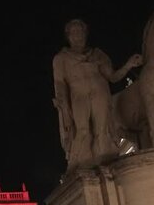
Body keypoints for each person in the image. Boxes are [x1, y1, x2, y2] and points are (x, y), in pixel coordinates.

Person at [52, 19, 142, 171]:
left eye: (80, 32)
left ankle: (105, 163)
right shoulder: (61, 59)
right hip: (78, 96)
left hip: (100, 93)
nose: (77, 36)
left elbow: (112, 77)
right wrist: (65, 110)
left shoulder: (98, 55)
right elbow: (60, 86)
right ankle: (75, 164)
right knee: (82, 130)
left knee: (102, 129)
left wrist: (128, 65)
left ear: (85, 34)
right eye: (74, 33)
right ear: (68, 36)